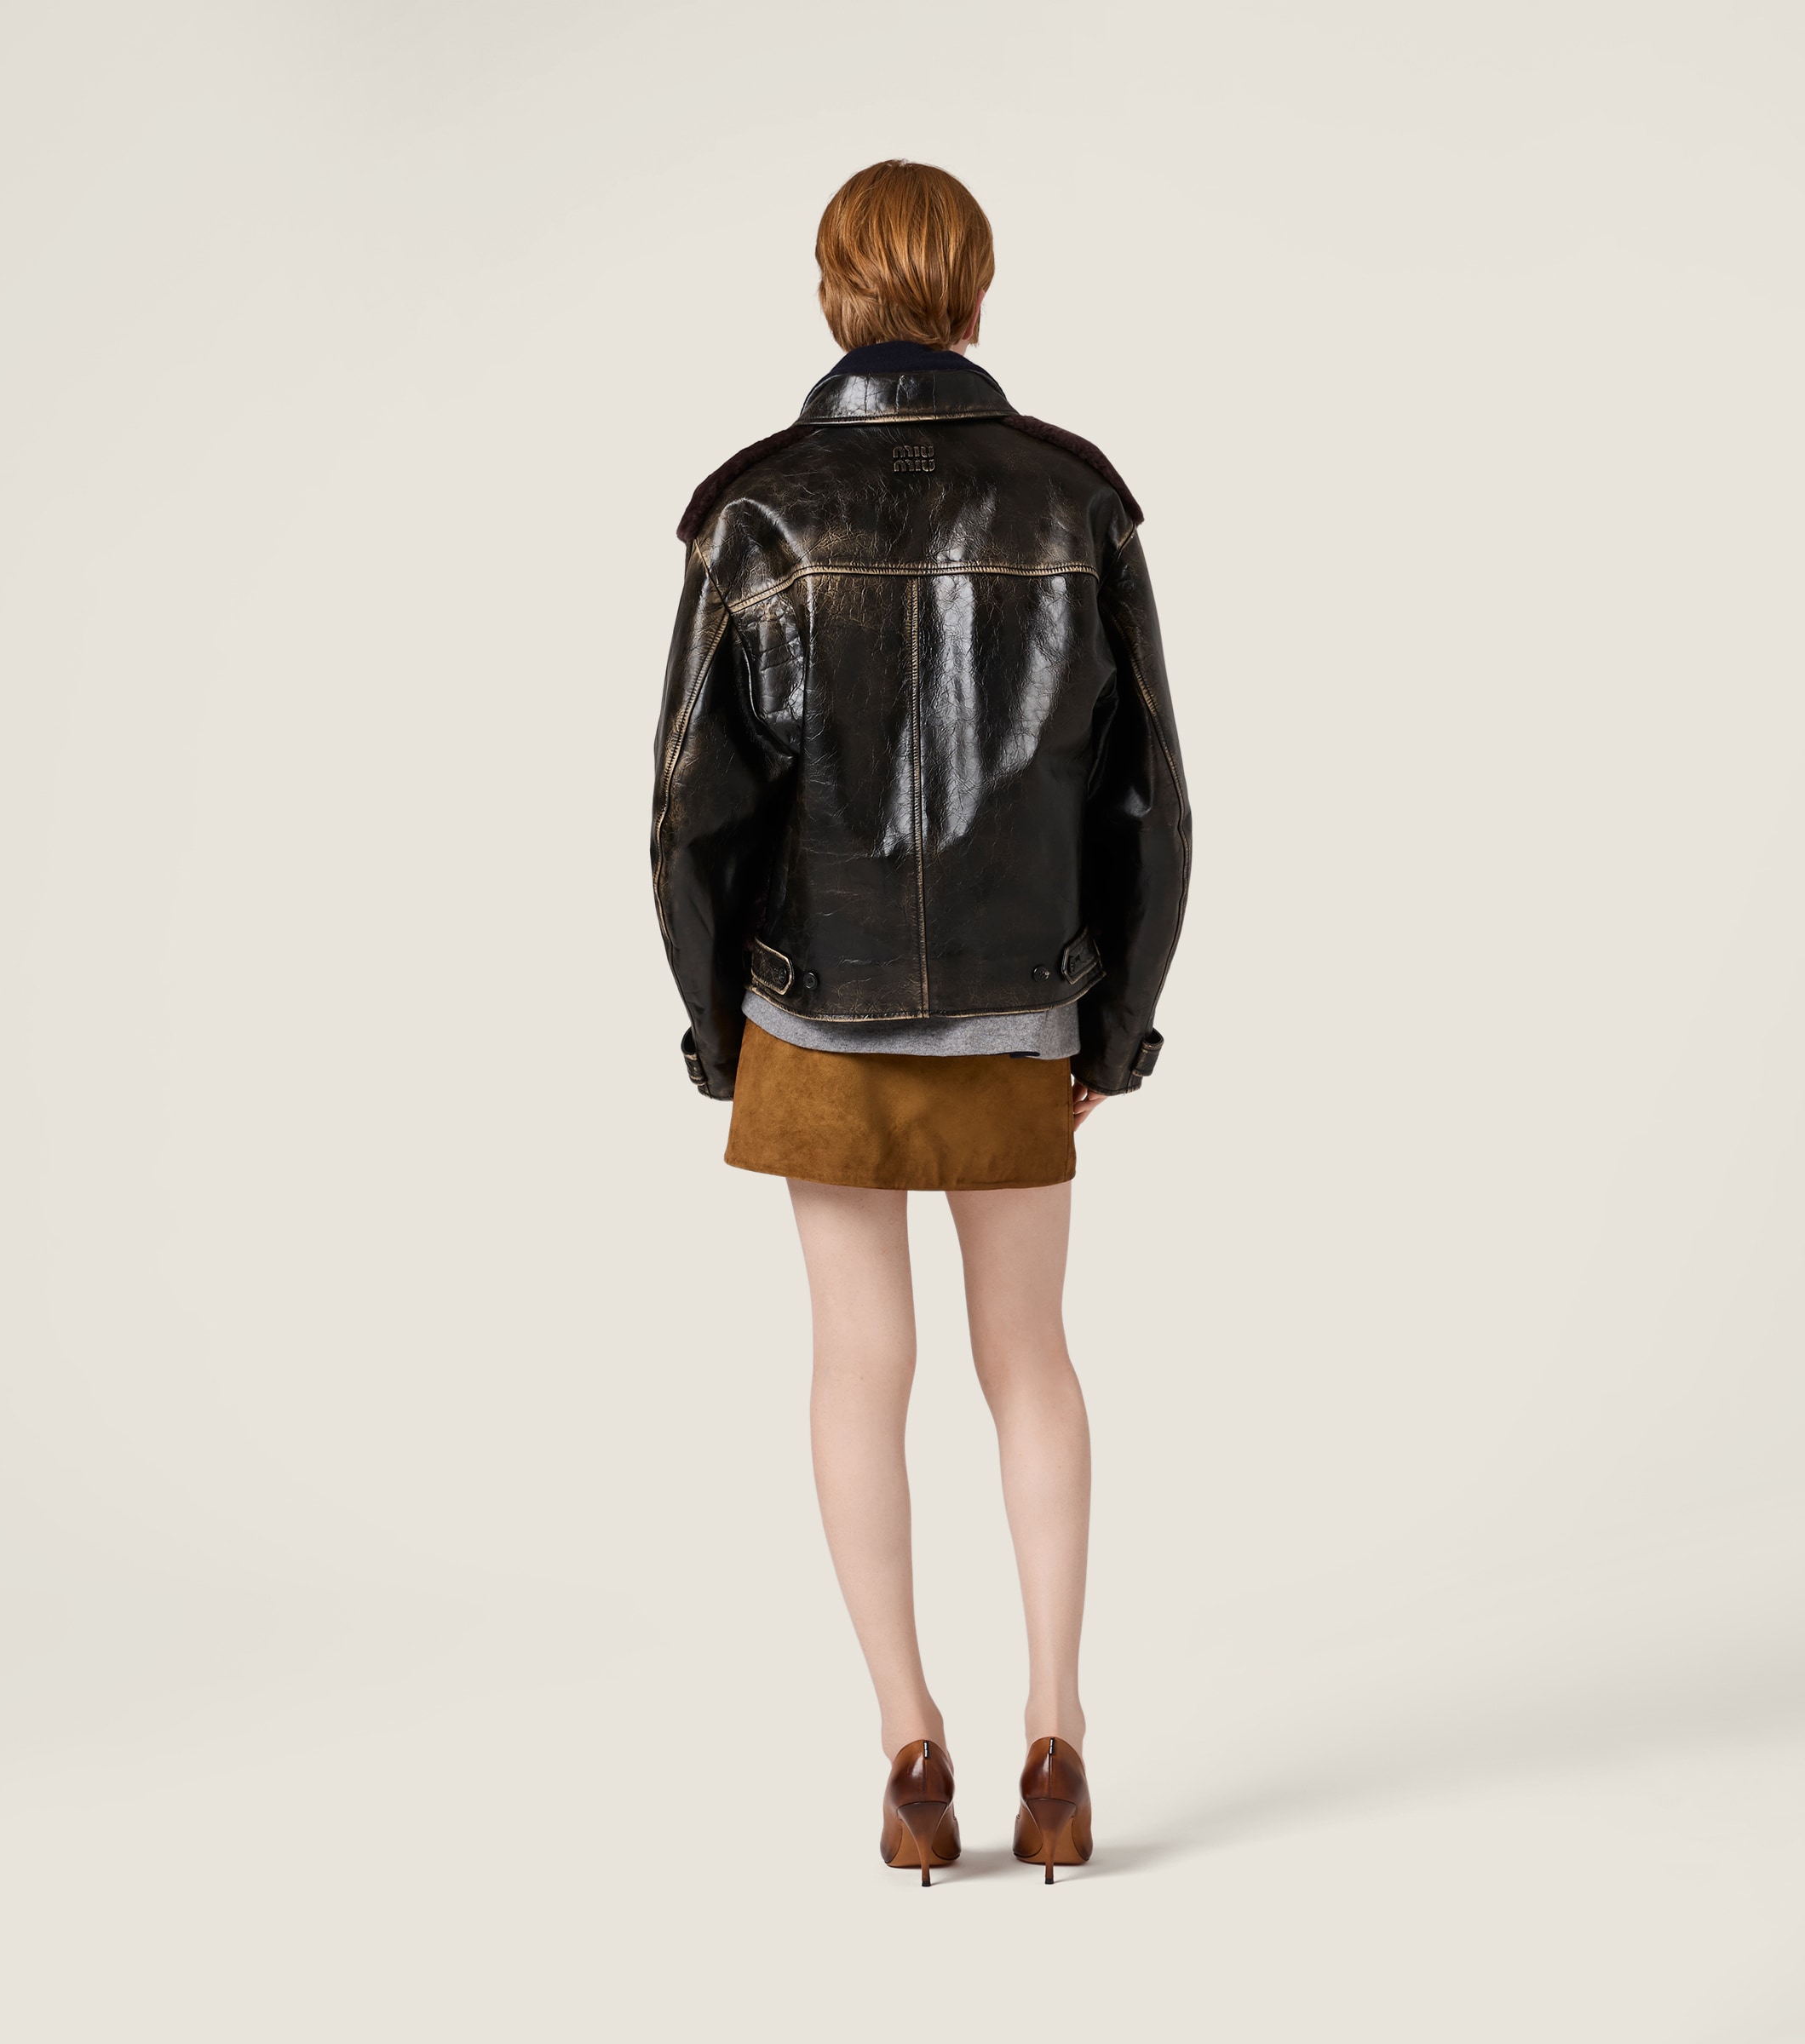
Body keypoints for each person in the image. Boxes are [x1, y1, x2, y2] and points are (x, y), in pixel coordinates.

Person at [650, 159, 1190, 1884]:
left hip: (817, 1008)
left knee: (855, 1367)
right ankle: (1057, 1736)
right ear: (975, 287)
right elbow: (1147, 798)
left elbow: (693, 810)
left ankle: (908, 1746)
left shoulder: (754, 512)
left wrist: (717, 1031)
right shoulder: (1077, 500)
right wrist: (1114, 1026)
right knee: (1028, 1358)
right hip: (1024, 1004)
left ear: (835, 291)